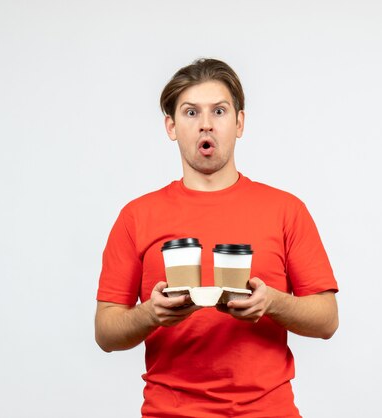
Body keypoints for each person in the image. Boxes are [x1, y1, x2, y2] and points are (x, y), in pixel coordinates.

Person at [95, 58, 339, 418]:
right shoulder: (136, 217)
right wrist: (150, 313)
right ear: (171, 126)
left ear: (239, 123)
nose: (206, 124)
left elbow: (327, 320)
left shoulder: (286, 210)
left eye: (219, 111)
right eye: (191, 113)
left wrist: (271, 302)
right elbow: (106, 331)